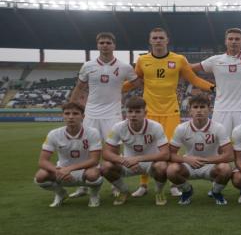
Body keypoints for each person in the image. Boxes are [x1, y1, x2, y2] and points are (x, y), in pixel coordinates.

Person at [123, 27, 215, 197]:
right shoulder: (142, 60)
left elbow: (193, 79)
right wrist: (115, 90)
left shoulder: (179, 59)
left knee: (172, 150)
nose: (158, 40)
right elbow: (134, 81)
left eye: (161, 37)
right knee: (146, 148)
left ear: (167, 40)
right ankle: (143, 185)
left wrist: (212, 87)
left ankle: (174, 183)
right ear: (150, 41)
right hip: (148, 111)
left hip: (171, 111)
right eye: (155, 38)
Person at [69, 32, 140, 198]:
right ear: (97, 45)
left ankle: (116, 184)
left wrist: (127, 95)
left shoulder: (125, 67)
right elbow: (79, 88)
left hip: (113, 114)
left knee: (114, 151)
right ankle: (83, 185)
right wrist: (72, 106)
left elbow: (139, 84)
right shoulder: (88, 66)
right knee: (84, 149)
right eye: (102, 42)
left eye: (108, 42)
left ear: (114, 45)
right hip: (91, 113)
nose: (105, 45)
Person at [191, 28, 241, 136]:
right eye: (231, 39)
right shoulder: (215, 60)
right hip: (221, 110)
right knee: (219, 142)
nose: (234, 41)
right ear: (225, 41)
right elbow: (191, 68)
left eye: (237, 39)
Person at [101, 96, 170, 206]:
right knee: (105, 167)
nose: (133, 114)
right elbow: (106, 153)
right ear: (126, 113)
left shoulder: (156, 127)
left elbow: (165, 154)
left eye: (138, 111)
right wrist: (124, 161)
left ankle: (159, 192)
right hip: (128, 163)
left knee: (162, 166)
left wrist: (137, 159)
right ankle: (124, 191)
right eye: (130, 111)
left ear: (145, 112)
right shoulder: (118, 127)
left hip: (150, 164)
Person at [166, 94, 234, 205]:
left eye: (202, 107)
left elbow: (230, 155)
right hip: (189, 165)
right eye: (195, 107)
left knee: (226, 169)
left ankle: (216, 192)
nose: (199, 111)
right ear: (190, 111)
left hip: (210, 165)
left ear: (209, 110)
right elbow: (170, 154)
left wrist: (206, 160)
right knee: (171, 170)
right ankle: (187, 191)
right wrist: (187, 160)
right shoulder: (181, 128)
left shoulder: (218, 128)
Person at [33, 102, 102, 207]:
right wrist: (59, 171)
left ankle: (94, 195)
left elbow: (94, 160)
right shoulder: (54, 134)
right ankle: (61, 194)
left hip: (86, 170)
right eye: (67, 113)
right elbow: (42, 161)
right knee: (40, 176)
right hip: (62, 171)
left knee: (93, 174)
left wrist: (69, 169)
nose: (70, 117)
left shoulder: (93, 132)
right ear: (63, 115)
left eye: (75, 114)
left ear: (82, 116)